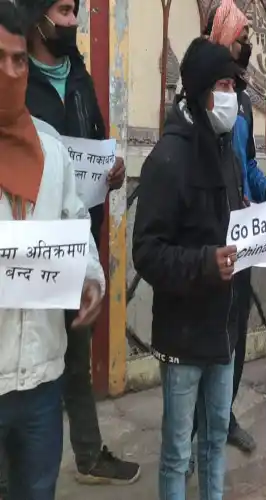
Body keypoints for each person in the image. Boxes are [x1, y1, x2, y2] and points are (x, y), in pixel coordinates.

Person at [17, 0, 138, 486]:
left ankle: (87, 454)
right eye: (65, 11)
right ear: (38, 17)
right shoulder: (19, 81)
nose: (73, 22)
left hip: (77, 240)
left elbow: (96, 141)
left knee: (76, 357)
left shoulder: (82, 77)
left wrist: (112, 171)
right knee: (26, 364)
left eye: (76, 13)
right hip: (27, 248)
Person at [0, 2, 105, 497]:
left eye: (19, 60)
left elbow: (76, 223)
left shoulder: (52, 150)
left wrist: (90, 278)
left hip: (43, 380)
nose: (11, 72)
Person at [132, 38, 243, 499]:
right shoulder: (167, 159)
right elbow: (147, 252)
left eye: (234, 84)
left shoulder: (228, 154)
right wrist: (203, 263)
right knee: (179, 451)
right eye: (222, 84)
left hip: (223, 330)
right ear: (199, 90)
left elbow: (230, 223)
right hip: (182, 333)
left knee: (215, 439)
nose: (232, 94)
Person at [198, 0, 266, 456]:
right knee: (207, 341)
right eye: (241, 35)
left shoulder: (245, 103)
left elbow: (250, 164)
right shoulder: (197, 98)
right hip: (208, 241)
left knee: (235, 331)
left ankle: (225, 414)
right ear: (221, 38)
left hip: (244, 238)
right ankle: (197, 431)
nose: (248, 43)